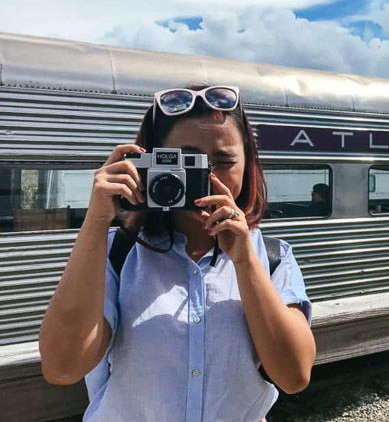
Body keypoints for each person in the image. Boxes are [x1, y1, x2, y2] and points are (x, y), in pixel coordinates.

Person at [39, 84, 316, 422]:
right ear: (150, 162)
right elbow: (62, 367)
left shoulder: (271, 256)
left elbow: (294, 377)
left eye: (224, 161)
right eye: (188, 161)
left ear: (248, 164)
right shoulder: (117, 252)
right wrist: (96, 221)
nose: (207, 175)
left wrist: (245, 262)